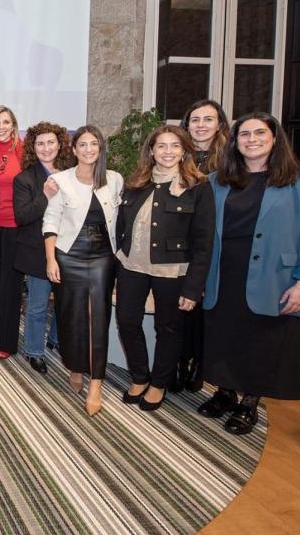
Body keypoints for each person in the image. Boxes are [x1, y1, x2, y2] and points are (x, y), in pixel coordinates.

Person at [198, 112, 300, 435]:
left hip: (274, 275)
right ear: (235, 141)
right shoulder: (216, 181)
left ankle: (249, 402)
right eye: (244, 134)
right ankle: (225, 392)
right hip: (223, 272)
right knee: (224, 335)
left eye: (259, 133)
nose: (252, 140)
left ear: (274, 138)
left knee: (261, 339)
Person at [114, 125, 214, 412]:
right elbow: (122, 226)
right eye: (161, 146)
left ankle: (159, 383)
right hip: (132, 265)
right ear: (151, 151)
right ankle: (139, 377)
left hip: (173, 271)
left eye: (174, 146)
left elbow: (204, 242)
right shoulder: (137, 182)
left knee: (168, 328)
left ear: (184, 151)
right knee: (127, 321)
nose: (168, 152)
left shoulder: (197, 186)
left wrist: (193, 288)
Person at [43, 125, 123, 416]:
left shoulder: (114, 179)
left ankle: (96, 384)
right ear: (74, 150)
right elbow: (51, 221)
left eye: (93, 144)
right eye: (83, 145)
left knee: (98, 318)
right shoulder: (60, 180)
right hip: (68, 255)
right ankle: (76, 366)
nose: (88, 149)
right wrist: (51, 260)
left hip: (103, 257)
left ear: (100, 148)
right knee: (71, 317)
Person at [175, 99, 230, 392]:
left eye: (208, 119)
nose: (201, 125)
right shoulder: (176, 156)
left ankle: (201, 362)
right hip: (180, 244)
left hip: (217, 244)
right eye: (195, 120)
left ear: (219, 124)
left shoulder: (230, 161)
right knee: (184, 306)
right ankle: (182, 360)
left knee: (210, 308)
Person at [13, 121, 75, 374]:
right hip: (37, 252)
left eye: (51, 142)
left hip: (69, 250)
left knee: (65, 303)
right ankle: (34, 352)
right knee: (38, 306)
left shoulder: (73, 173)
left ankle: (56, 340)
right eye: (40, 144)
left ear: (60, 145)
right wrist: (45, 196)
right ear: (33, 147)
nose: (46, 148)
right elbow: (22, 216)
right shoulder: (25, 178)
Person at [0, 105, 25, 358]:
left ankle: (6, 341)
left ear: (13, 126)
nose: (1, 127)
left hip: (16, 226)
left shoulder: (23, 150)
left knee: (11, 284)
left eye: (6, 122)